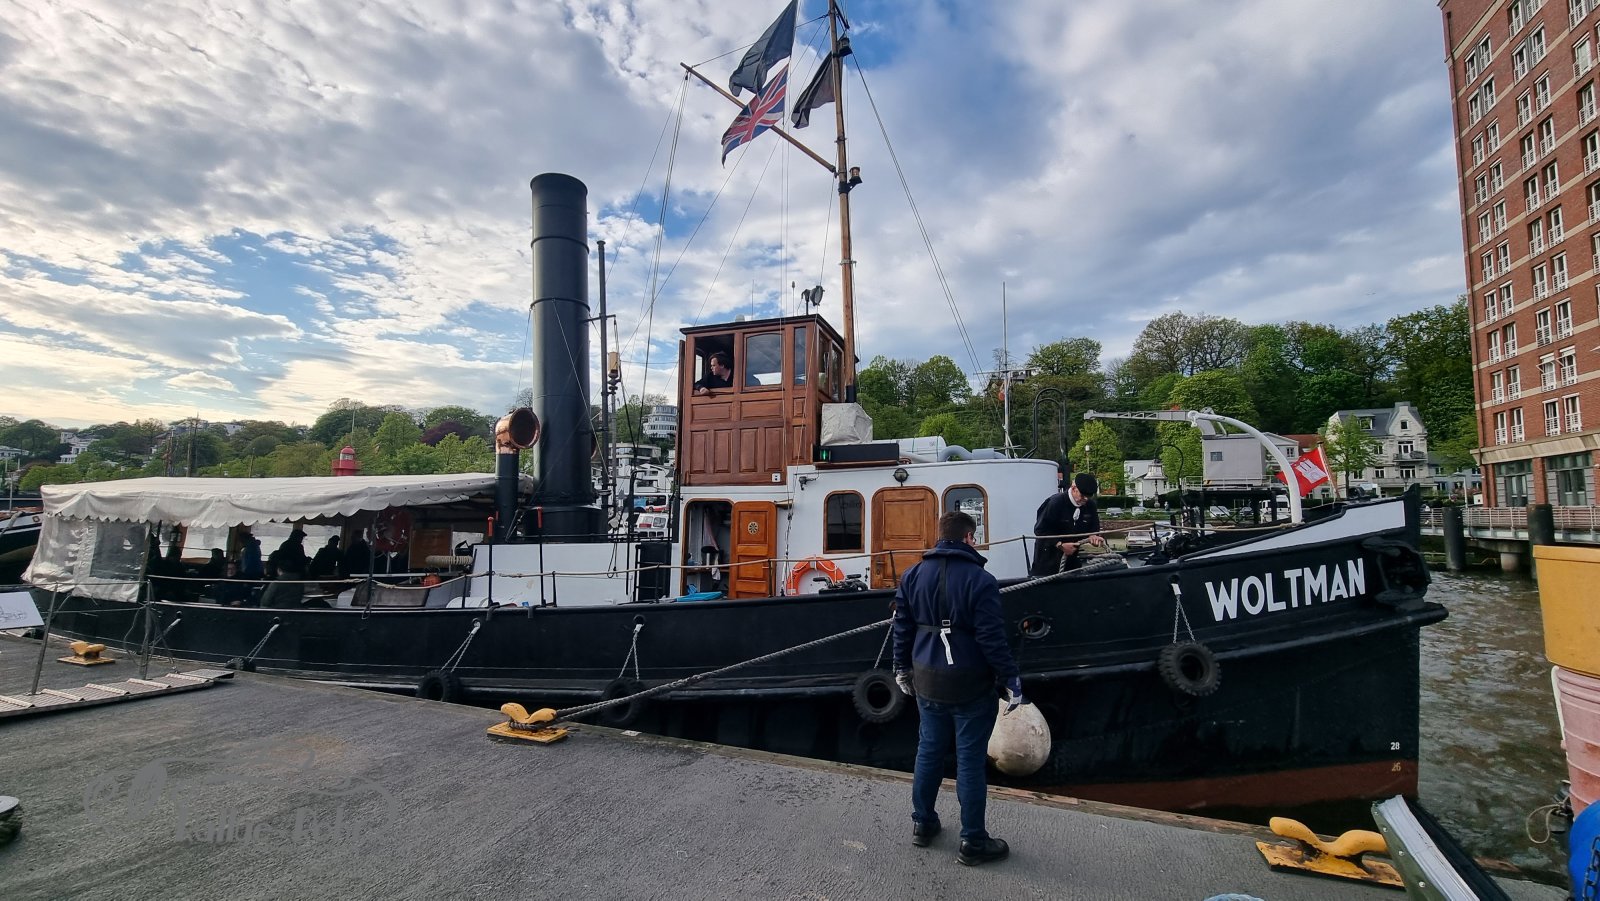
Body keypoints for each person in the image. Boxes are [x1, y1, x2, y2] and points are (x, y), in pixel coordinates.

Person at [890, 510, 1022, 867]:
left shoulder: (912, 575)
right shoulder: (982, 580)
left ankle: (923, 825)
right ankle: (972, 841)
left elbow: (902, 627)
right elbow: (992, 639)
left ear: (940, 536)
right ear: (969, 538)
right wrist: (1010, 678)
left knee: (928, 752)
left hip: (927, 680)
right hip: (970, 683)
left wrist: (901, 668)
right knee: (970, 762)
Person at [1031, 471, 1105, 576]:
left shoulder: (1090, 506)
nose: (1086, 499)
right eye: (1083, 495)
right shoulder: (1055, 502)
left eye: (1089, 496)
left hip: (1072, 559)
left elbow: (1093, 528)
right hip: (1047, 559)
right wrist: (1060, 545)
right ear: (1074, 488)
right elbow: (1040, 529)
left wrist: (1093, 536)